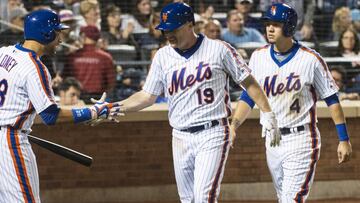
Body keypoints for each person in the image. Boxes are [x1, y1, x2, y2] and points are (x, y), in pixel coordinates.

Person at [108, 2, 279, 203]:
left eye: (173, 28)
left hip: (212, 132)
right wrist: (113, 107)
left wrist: (268, 112)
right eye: (165, 30)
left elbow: (249, 82)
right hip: (179, 135)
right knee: (187, 199)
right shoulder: (163, 56)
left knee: (204, 198)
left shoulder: (219, 49)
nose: (168, 34)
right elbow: (147, 96)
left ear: (190, 24)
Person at [230, 3, 352, 202]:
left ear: (288, 27)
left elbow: (332, 99)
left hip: (302, 138)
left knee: (291, 199)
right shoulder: (258, 57)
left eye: (276, 24)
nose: (269, 28)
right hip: (272, 138)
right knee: (283, 197)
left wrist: (343, 139)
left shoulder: (311, 59)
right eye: (268, 23)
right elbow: (248, 97)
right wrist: (234, 125)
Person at [0, 9, 114, 202]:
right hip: (10, 142)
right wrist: (93, 111)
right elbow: (51, 116)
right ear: (46, 33)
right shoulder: (35, 67)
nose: (60, 39)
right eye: (57, 32)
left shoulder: (3, 52)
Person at [66, 25, 116, 104]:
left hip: (77, 98)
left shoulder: (73, 56)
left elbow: (67, 77)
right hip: (99, 99)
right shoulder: (106, 57)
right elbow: (111, 82)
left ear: (84, 36)